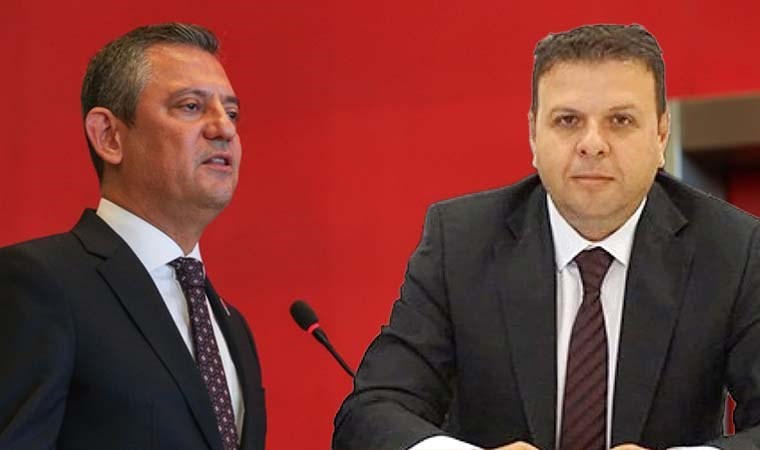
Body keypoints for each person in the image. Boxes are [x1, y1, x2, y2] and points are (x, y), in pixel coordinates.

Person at [333, 23, 760, 450]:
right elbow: (371, 411)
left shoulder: (732, 249)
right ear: (534, 135)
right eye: (568, 120)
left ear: (661, 135)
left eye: (620, 120)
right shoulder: (461, 243)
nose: (592, 144)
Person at [0, 23, 265, 450]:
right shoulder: (40, 284)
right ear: (109, 136)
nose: (224, 129)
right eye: (191, 106)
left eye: (231, 113)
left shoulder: (232, 325)